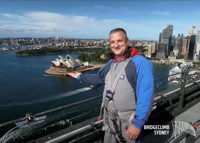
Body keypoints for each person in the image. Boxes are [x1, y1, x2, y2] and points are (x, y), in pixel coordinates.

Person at [67, 28, 154, 143]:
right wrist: (80, 76)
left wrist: (137, 124)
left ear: (127, 42)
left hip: (128, 123)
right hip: (109, 121)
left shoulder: (140, 63)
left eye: (119, 41)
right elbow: (100, 78)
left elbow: (146, 94)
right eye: (112, 42)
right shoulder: (112, 63)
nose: (116, 45)